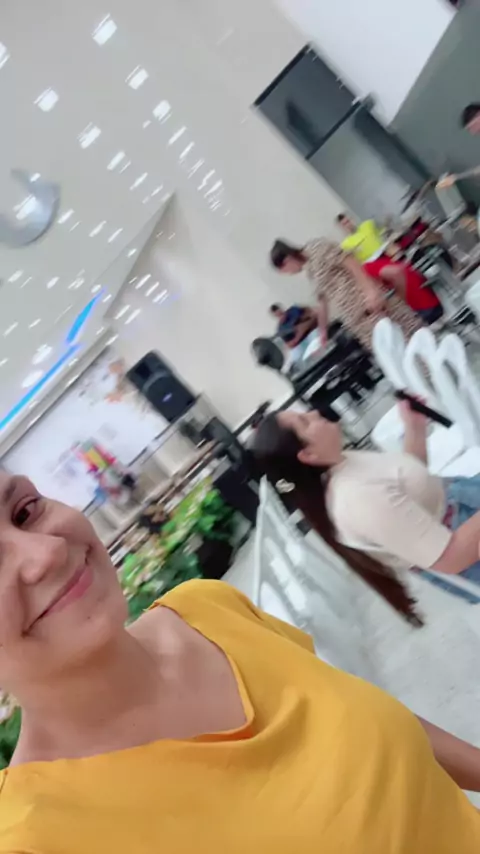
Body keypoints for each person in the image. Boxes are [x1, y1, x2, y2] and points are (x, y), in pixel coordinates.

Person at [1, 472, 480, 853]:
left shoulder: (208, 609)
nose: (48, 553)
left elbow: (385, 731)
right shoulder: (37, 837)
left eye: (24, 512)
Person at [252, 405, 480, 596]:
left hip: (462, 512)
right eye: (305, 421)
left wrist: (414, 428)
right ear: (308, 455)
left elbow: (405, 487)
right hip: (466, 546)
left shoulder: (340, 465)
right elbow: (452, 558)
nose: (314, 413)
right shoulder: (357, 499)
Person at [270, 238, 420, 349]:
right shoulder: (309, 270)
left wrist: (370, 290)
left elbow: (349, 261)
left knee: (414, 341)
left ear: (287, 260)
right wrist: (323, 332)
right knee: (396, 357)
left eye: (286, 271)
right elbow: (322, 300)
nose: (290, 273)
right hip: (359, 321)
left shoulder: (317, 249)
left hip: (372, 306)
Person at [364, 256, 444, 325]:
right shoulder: (374, 265)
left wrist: (403, 301)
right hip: (427, 300)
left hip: (421, 305)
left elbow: (396, 272)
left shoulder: (368, 269)